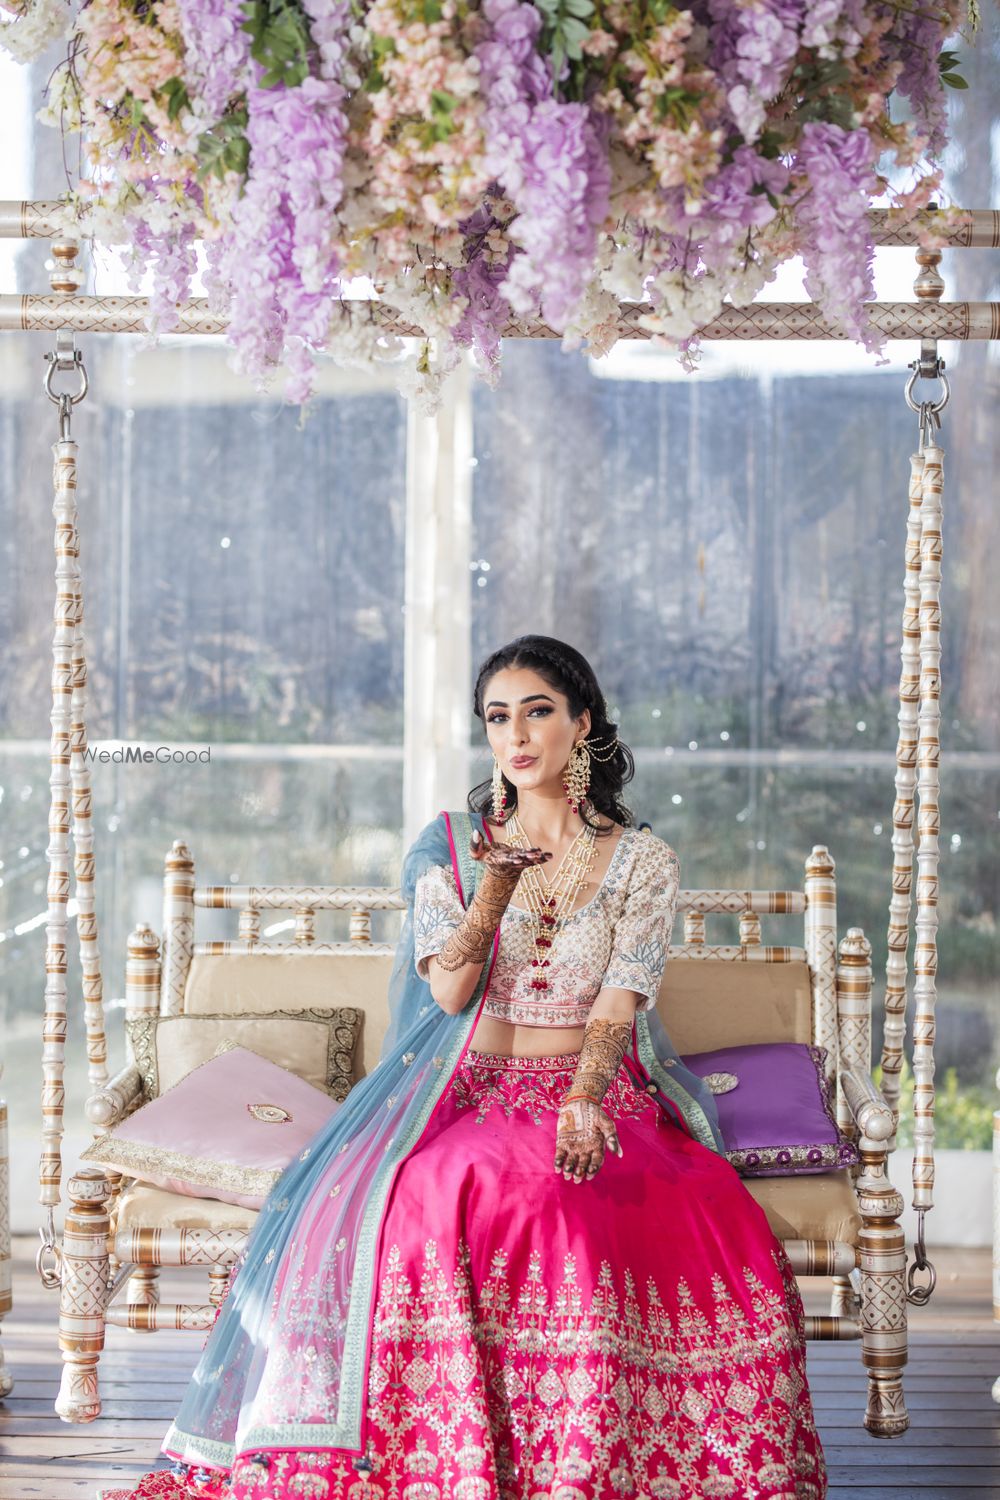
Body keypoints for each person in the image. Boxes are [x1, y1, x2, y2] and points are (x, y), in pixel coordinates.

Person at [103, 636, 827, 1500]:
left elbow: (617, 1003)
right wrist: (495, 887)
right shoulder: (451, 848)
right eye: (497, 717)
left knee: (581, 1204)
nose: (516, 736)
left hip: (589, 1096)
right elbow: (448, 995)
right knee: (428, 1199)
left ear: (582, 724)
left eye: (538, 711)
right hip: (463, 1095)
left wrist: (587, 1102)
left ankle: (585, 1467)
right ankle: (434, 1463)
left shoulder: (642, 860)